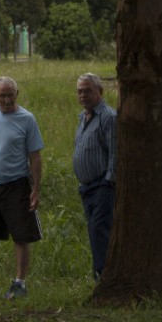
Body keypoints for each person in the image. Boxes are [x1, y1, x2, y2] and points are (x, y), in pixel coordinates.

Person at [0, 76, 44, 299]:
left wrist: (36, 188)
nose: (6, 100)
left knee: (21, 236)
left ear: (17, 93)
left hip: (17, 185)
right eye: (2, 95)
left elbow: (35, 157)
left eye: (10, 95)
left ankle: (20, 283)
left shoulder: (27, 119)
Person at [72, 72, 116, 280]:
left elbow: (115, 152)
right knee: (94, 231)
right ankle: (100, 273)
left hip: (102, 186)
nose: (83, 95)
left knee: (100, 230)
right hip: (87, 187)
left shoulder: (108, 117)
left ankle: (104, 274)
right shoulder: (83, 117)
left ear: (100, 91)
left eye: (87, 91)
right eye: (80, 92)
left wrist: (109, 182)